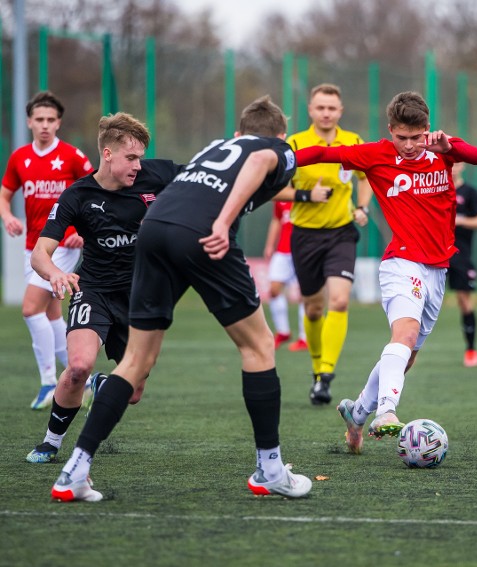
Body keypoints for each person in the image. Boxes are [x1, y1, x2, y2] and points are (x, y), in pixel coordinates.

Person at [50, 95, 312, 502]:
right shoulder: (277, 148)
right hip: (203, 233)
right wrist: (225, 222)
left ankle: (75, 470)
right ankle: (271, 470)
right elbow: (261, 162)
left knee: (135, 363)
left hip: (154, 230)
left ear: (239, 133)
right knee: (259, 345)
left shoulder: (215, 148)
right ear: (280, 134)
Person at [294, 90, 477, 453]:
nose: (409, 146)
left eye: (416, 137)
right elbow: (323, 153)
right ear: (390, 130)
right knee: (406, 332)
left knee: (407, 353)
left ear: (426, 129)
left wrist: (449, 147)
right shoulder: (377, 154)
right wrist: (280, 158)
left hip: (437, 269)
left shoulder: (442, 149)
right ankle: (387, 412)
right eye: (401, 138)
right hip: (402, 262)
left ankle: (357, 413)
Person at [25, 112, 182, 464]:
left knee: (134, 392)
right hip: (93, 288)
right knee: (78, 366)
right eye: (131, 157)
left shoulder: (156, 174)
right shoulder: (77, 195)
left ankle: (101, 385)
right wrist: (53, 273)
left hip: (141, 297)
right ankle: (51, 442)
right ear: (107, 155)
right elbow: (40, 254)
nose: (138, 166)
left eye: (141, 156)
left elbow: (208, 177)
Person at [277, 83, 373, 406]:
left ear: (340, 111)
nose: (326, 113)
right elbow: (273, 189)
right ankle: (317, 370)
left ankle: (327, 374)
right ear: (310, 110)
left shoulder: (353, 141)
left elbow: (366, 178)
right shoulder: (295, 144)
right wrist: (306, 195)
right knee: (313, 307)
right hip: (304, 234)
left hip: (341, 233)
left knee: (340, 300)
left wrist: (362, 208)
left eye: (332, 108)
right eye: (321, 107)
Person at [0, 91, 94, 409]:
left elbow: (95, 194)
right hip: (32, 247)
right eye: (39, 119)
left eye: (50, 120)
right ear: (29, 122)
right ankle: (87, 378)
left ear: (59, 123)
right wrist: (8, 215)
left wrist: (82, 230)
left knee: (30, 309)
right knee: (52, 315)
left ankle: (49, 383)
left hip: (61, 246)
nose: (44, 125)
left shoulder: (72, 157)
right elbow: (4, 193)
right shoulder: (19, 158)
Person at [448, 162, 477, 367]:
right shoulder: (435, 188)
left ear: (463, 165)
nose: (453, 166)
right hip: (433, 253)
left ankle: (471, 350)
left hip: (460, 256)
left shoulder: (470, 192)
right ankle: (409, 350)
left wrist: (460, 220)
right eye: (449, 161)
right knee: (421, 303)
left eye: (457, 162)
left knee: (464, 301)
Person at [263, 200, 308, 351]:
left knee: (306, 294)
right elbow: (276, 220)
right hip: (282, 251)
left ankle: (305, 338)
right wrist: (270, 245)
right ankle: (283, 332)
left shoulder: (309, 192)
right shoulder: (282, 195)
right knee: (274, 290)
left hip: (304, 250)